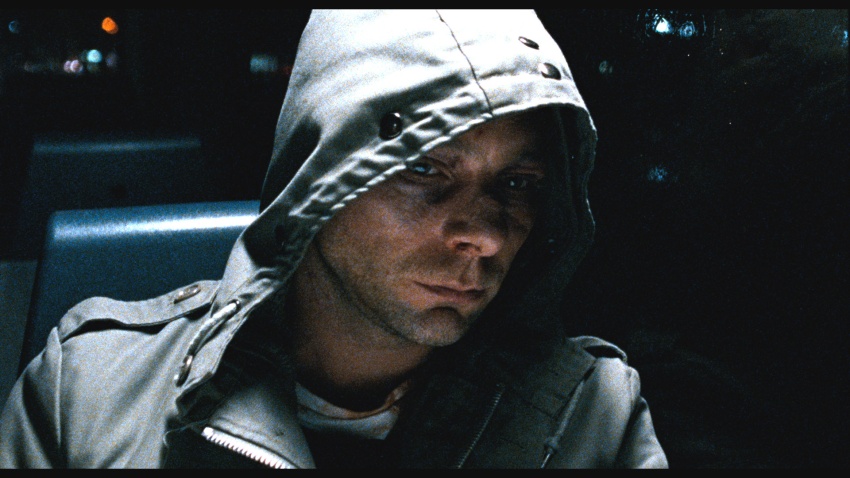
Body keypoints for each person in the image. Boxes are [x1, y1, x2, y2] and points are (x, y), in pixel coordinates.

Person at [0, 10, 667, 468]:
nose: (486, 235)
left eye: (517, 184)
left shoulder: (590, 418)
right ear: (320, 179)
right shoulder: (89, 397)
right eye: (422, 169)